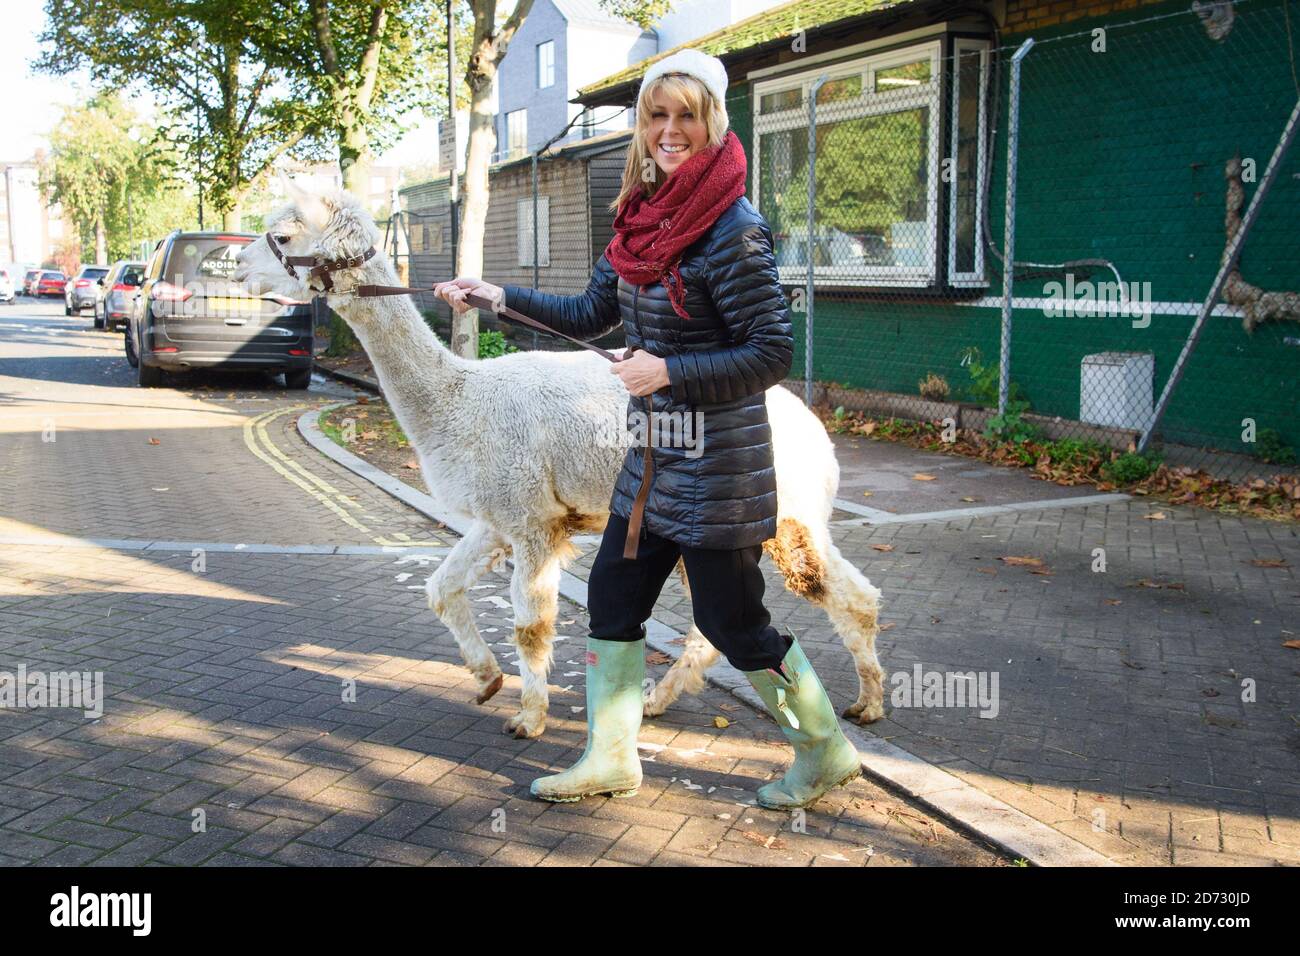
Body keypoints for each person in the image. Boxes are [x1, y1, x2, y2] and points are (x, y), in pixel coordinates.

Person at [432, 48, 860, 811]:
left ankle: (826, 751)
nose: (669, 131)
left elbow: (771, 353)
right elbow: (589, 313)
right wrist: (493, 294)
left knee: (732, 620)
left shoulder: (733, 227)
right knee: (613, 597)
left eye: (685, 116)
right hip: (653, 456)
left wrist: (666, 373)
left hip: (718, 462)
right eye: (655, 115)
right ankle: (610, 757)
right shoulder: (642, 214)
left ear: (712, 121)